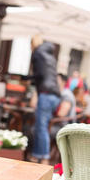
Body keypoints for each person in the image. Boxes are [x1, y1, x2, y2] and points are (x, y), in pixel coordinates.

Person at [29, 35, 60, 164]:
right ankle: (36, 155)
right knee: (41, 126)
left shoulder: (37, 53)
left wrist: (28, 81)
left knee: (41, 126)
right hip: (55, 94)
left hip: (46, 93)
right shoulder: (50, 55)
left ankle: (45, 158)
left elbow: (39, 75)